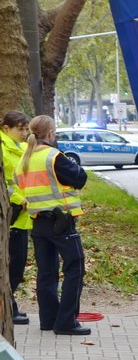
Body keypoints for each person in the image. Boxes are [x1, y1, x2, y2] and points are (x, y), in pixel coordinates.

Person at [15, 115, 90, 336]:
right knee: (74, 268)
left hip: (37, 223)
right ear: (49, 133)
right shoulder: (54, 157)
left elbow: (20, 184)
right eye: (54, 131)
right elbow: (80, 178)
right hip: (61, 222)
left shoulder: (24, 159)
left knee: (46, 273)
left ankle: (48, 320)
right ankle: (66, 321)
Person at [2, 111, 31, 325]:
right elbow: (6, 184)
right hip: (10, 214)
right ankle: (8, 308)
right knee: (11, 266)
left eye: (26, 128)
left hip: (21, 216)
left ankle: (10, 306)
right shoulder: (3, 149)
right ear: (6, 129)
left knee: (17, 266)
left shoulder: (20, 148)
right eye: (20, 128)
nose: (24, 132)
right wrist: (20, 198)